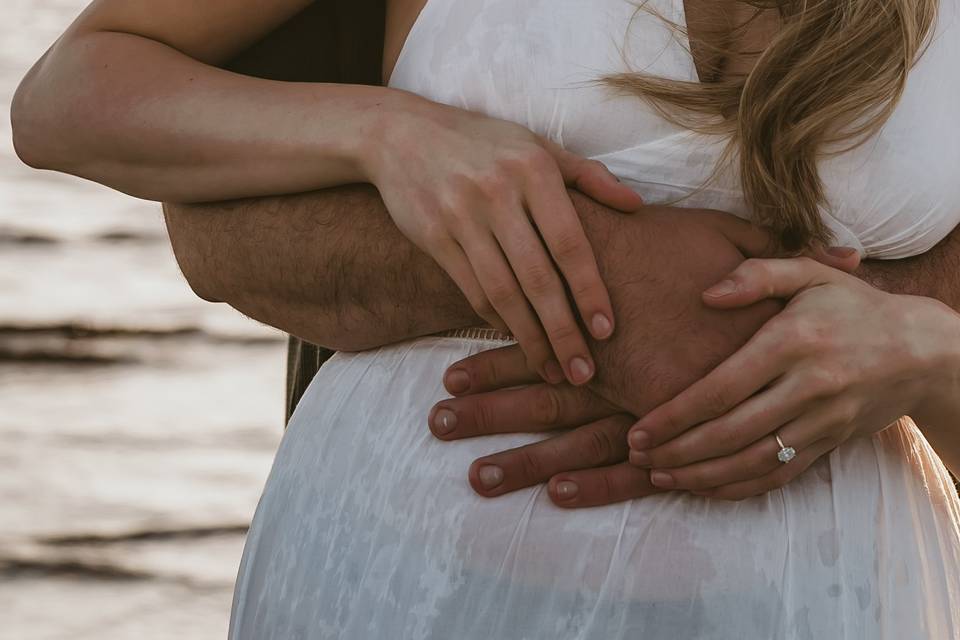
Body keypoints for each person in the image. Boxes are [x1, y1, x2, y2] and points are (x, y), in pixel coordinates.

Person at [12, 0, 960, 637]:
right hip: (402, 582)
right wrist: (387, 133)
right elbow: (67, 97)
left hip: (835, 598)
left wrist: (927, 353)